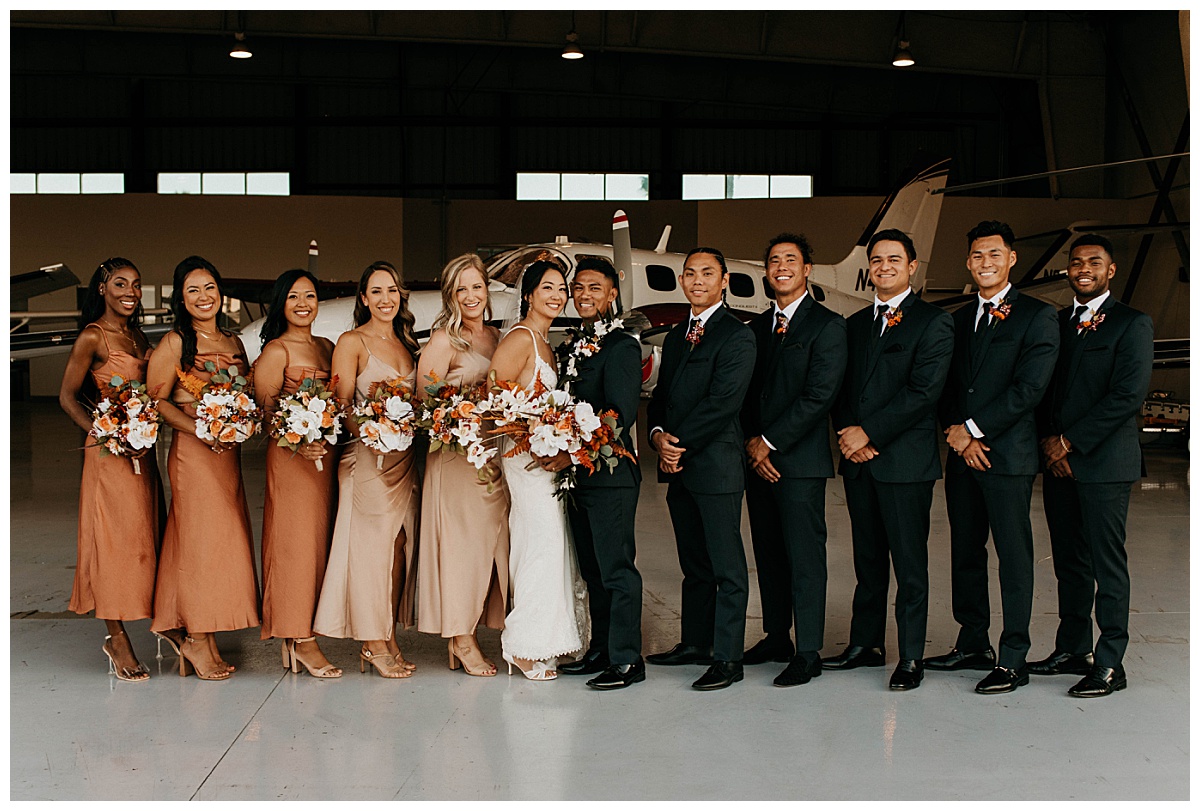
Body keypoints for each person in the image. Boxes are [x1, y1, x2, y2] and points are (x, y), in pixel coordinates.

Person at [926, 221, 1059, 694]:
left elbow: (1029, 389)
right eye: (978, 255)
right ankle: (972, 641)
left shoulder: (1038, 316)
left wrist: (975, 431)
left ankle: (1013, 657)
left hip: (1007, 457)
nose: (986, 263)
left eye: (994, 255)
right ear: (968, 262)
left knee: (1014, 556)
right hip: (962, 456)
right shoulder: (956, 321)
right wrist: (957, 436)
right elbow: (941, 386)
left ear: (1011, 259)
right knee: (965, 552)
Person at [825, 229, 954, 691]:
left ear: (912, 266)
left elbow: (923, 393)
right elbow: (839, 388)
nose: (884, 267)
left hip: (904, 463)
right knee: (868, 560)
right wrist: (848, 433)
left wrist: (870, 432)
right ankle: (866, 644)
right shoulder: (853, 323)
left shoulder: (933, 322)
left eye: (894, 260)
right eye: (877, 260)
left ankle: (911, 656)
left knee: (909, 563)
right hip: (859, 460)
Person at [1030, 234, 1153, 697]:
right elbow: (1042, 388)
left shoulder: (1132, 324)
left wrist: (1069, 442)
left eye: (1094, 262)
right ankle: (1072, 648)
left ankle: (1109, 663)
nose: (1084, 268)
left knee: (1107, 564)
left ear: (1111, 270)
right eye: (1076, 262)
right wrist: (1050, 444)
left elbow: (1127, 395)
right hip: (1058, 462)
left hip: (1104, 464)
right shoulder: (1057, 322)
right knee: (1070, 562)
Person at [646, 247, 756, 691]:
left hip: (715, 466)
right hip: (679, 466)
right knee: (694, 563)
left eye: (707, 273)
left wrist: (678, 445)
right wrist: (656, 435)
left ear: (724, 280)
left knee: (727, 567)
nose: (696, 280)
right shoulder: (675, 337)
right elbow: (660, 396)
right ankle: (695, 642)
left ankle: (728, 658)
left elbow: (723, 403)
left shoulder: (737, 335)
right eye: (689, 273)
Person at [740, 233, 847, 687]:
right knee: (768, 551)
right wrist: (752, 442)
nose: (781, 266)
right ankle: (777, 634)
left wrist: (770, 441)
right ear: (766, 272)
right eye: (773, 260)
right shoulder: (757, 328)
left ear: (807, 270)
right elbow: (745, 394)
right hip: (758, 460)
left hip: (799, 462)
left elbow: (819, 396)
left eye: (791, 259)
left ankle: (808, 650)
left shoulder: (828, 325)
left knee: (804, 555)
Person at [148, 256, 261, 680]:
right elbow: (156, 400)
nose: (203, 297)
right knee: (198, 543)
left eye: (209, 287)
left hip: (226, 455)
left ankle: (205, 632)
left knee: (222, 543)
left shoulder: (235, 342)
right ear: (181, 297)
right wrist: (200, 428)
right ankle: (196, 637)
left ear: (220, 292)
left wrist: (240, 422)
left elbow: (245, 395)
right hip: (194, 455)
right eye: (193, 290)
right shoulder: (176, 342)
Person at [315, 261, 422, 679]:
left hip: (403, 462)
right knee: (369, 552)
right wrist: (373, 432)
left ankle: (387, 632)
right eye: (376, 291)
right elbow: (341, 404)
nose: (386, 299)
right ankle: (371, 641)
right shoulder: (351, 341)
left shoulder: (406, 342)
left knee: (397, 550)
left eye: (392, 290)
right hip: (366, 459)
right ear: (363, 298)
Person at [59, 258, 159, 682]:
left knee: (144, 537)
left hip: (142, 453)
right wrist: (105, 434)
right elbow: (66, 397)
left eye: (136, 285)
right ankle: (115, 635)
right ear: (102, 288)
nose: (130, 292)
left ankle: (155, 617)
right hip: (109, 455)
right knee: (111, 541)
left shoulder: (136, 335)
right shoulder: (93, 337)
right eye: (120, 283)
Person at [488, 259, 589, 680]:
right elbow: (493, 400)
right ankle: (523, 647)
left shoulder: (548, 342)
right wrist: (532, 432)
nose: (557, 295)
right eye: (547, 288)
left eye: (561, 289)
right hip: (527, 462)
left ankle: (548, 638)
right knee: (537, 547)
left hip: (549, 461)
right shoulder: (520, 339)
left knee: (552, 547)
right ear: (528, 295)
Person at [548, 257, 646, 690]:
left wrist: (570, 455)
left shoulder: (622, 346)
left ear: (612, 295)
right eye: (579, 287)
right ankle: (601, 649)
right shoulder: (572, 346)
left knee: (617, 570)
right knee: (592, 570)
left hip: (611, 477)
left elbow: (618, 416)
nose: (584, 295)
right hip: (580, 479)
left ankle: (628, 659)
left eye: (595, 288)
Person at [416, 254, 510, 677]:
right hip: (455, 460)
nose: (471, 296)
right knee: (461, 547)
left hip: (493, 455)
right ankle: (460, 637)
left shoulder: (498, 337)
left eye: (477, 287)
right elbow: (425, 405)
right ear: (450, 295)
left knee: (493, 544)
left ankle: (479, 623)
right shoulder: (441, 342)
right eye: (462, 289)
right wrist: (461, 419)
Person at [254, 269, 341, 678]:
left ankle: (300, 634)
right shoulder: (277, 351)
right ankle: (298, 636)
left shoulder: (327, 347)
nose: (303, 304)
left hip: (325, 460)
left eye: (309, 295)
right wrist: (297, 439)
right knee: (293, 545)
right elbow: (266, 414)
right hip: (291, 462)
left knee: (317, 545)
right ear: (281, 304)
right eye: (293, 297)